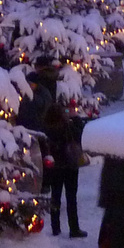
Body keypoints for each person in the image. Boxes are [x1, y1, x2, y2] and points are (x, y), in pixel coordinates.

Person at [39, 101, 86, 238]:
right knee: (71, 198)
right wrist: (75, 117)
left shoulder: (46, 129)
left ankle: (55, 227)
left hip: (55, 167)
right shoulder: (67, 126)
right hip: (70, 166)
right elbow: (79, 134)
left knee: (55, 197)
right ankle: (74, 228)